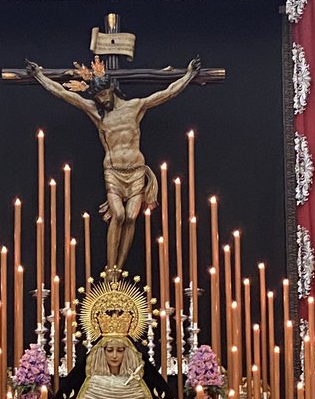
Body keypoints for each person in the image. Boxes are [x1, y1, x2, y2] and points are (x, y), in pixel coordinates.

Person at [26, 56, 200, 270]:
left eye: (104, 94)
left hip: (136, 171)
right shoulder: (96, 113)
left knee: (130, 217)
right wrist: (39, 76)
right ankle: (111, 267)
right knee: (117, 214)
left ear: (112, 88)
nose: (102, 100)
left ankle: (119, 267)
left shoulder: (135, 107)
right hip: (113, 172)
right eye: (97, 96)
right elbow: (64, 94)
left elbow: (167, 93)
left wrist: (189, 74)